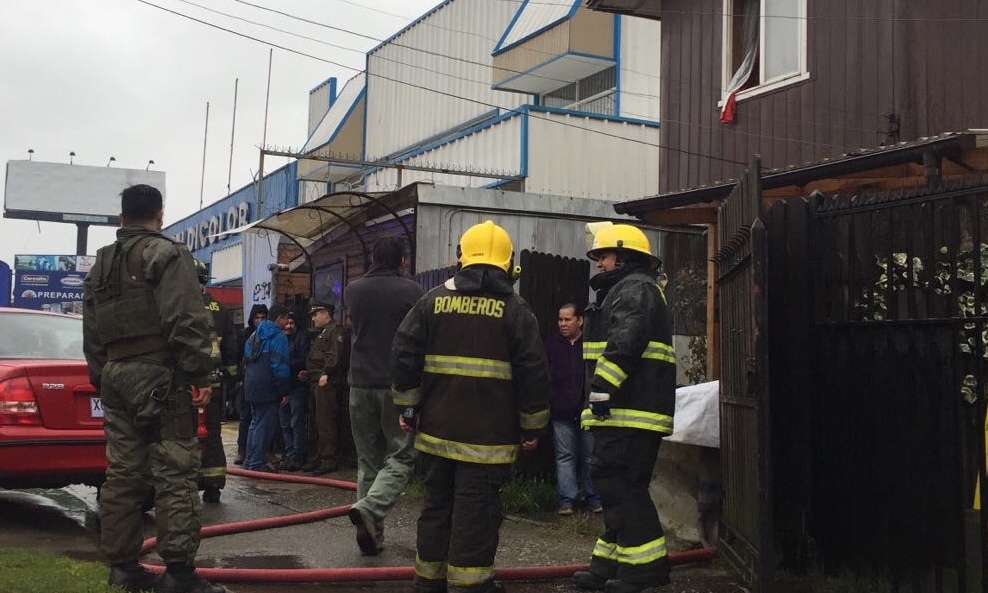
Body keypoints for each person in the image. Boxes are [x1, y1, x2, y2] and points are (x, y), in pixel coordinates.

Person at [392, 220, 550, 593]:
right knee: (475, 513)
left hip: (436, 433)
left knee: (436, 507)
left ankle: (428, 580)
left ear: (460, 257)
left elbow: (403, 354)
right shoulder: (516, 311)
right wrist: (532, 427)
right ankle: (470, 584)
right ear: (508, 263)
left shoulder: (431, 301)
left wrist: (409, 409)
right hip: (489, 440)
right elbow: (533, 373)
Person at [82, 183, 225, 593]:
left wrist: (103, 377)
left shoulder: (101, 265)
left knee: (123, 474)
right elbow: (186, 318)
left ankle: (123, 568)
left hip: (115, 376)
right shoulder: (167, 253)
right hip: (160, 375)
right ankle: (179, 575)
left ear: (121, 218)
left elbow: (92, 333)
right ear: (160, 215)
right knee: (175, 473)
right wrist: (201, 375)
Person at [572, 223, 676, 593]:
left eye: (603, 255)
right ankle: (608, 566)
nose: (598, 264)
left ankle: (645, 571)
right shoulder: (628, 289)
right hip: (624, 411)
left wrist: (601, 389)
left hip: (629, 411)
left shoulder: (635, 289)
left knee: (621, 486)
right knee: (615, 486)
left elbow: (626, 341)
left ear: (625, 256)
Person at [343, 236, 424, 556]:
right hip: (395, 386)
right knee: (402, 455)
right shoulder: (412, 292)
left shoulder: (353, 290)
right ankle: (371, 509)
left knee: (367, 459)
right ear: (401, 260)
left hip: (359, 384)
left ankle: (373, 535)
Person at [545, 303, 601, 516]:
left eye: (567, 319)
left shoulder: (589, 345)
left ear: (580, 320)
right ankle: (566, 500)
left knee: (590, 456)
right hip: (560, 411)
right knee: (565, 456)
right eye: (560, 319)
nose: (563, 324)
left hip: (587, 410)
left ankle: (593, 497)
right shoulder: (551, 345)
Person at [195, 259, 239, 504]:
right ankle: (213, 485)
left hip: (185, 383)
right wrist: (230, 378)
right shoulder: (220, 309)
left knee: (181, 434)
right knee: (212, 432)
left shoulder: (178, 304)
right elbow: (231, 349)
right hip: (214, 383)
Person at [242, 304, 291, 472]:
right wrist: (284, 390)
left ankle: (250, 459)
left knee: (255, 422)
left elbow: (246, 360)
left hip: (251, 384)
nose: (288, 322)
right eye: (286, 318)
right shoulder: (278, 337)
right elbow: (280, 366)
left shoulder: (254, 335)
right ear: (279, 318)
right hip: (267, 387)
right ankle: (256, 462)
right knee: (265, 424)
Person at [301, 301, 342, 475]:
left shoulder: (335, 331)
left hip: (324, 382)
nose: (313, 318)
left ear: (326, 314)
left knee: (325, 422)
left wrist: (326, 373)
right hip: (315, 379)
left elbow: (334, 355)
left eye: (315, 314)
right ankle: (318, 456)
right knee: (317, 422)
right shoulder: (323, 332)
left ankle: (328, 459)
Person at [234, 304, 268, 465]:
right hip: (247, 380)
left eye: (263, 318)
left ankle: (258, 452)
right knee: (246, 416)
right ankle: (242, 450)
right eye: (257, 318)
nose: (260, 321)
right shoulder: (244, 335)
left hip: (261, 381)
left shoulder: (269, 336)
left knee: (260, 419)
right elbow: (237, 358)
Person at [278, 311, 311, 471]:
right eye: (287, 323)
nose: (289, 326)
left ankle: (297, 456)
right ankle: (289, 454)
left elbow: (304, 359)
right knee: (285, 424)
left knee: (296, 422)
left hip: (296, 386)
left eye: (292, 323)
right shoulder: (280, 339)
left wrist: (285, 364)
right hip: (284, 387)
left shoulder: (301, 338)